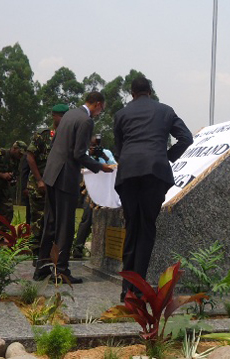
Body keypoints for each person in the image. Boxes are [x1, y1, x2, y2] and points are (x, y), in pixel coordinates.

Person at [113, 77, 193, 301]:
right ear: (150, 91)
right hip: (155, 174)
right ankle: (138, 288)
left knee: (132, 228)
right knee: (146, 228)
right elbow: (186, 138)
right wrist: (165, 158)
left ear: (132, 93)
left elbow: (119, 150)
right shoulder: (166, 111)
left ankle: (126, 289)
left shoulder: (121, 114)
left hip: (128, 174)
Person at [33, 92, 113, 283]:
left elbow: (57, 144)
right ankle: (60, 271)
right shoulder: (86, 121)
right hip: (65, 177)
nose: (100, 113)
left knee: (51, 222)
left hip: (52, 174)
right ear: (98, 105)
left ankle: (42, 267)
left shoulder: (69, 114)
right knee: (65, 226)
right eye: (101, 109)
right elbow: (78, 154)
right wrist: (99, 167)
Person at [26, 104, 69, 263]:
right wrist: (39, 180)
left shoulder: (66, 136)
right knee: (38, 220)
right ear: (54, 116)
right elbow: (30, 157)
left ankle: (51, 256)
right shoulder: (43, 135)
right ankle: (37, 257)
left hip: (57, 186)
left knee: (54, 223)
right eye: (62, 116)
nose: (64, 119)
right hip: (40, 186)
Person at [73, 136, 117, 258]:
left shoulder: (106, 152)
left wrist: (103, 156)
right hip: (91, 190)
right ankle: (78, 247)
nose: (95, 148)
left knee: (107, 217)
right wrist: (91, 156)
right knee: (87, 218)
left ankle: (104, 249)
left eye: (96, 146)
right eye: (92, 146)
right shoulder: (84, 154)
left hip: (106, 189)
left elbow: (114, 166)